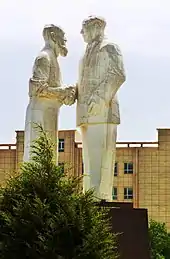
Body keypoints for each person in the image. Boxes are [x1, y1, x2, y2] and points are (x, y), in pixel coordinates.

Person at [76, 16, 126, 201]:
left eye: (84, 28)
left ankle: (99, 197)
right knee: (89, 159)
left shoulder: (110, 47)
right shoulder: (85, 54)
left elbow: (118, 74)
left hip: (103, 110)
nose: (82, 33)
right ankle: (90, 196)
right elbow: (83, 82)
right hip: (86, 114)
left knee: (103, 156)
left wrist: (99, 97)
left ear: (97, 27)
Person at [23, 24, 75, 162]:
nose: (65, 41)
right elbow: (37, 89)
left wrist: (66, 95)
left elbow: (53, 91)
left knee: (50, 157)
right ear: (53, 36)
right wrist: (62, 92)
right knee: (38, 156)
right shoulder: (44, 57)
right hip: (40, 113)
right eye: (63, 38)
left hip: (50, 113)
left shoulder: (53, 59)